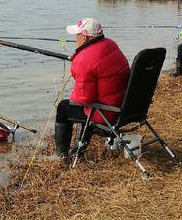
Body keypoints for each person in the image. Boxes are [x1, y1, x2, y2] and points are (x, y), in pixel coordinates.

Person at [54, 17, 130, 158]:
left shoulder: (83, 60)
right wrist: (79, 56)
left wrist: (78, 61)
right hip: (126, 108)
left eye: (77, 35)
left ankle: (60, 155)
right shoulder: (111, 44)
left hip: (106, 114)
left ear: (84, 37)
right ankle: (79, 149)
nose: (75, 38)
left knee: (64, 107)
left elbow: (84, 99)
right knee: (88, 103)